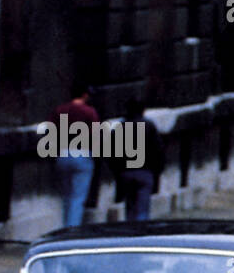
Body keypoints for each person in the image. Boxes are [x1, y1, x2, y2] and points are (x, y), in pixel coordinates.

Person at [50, 82, 100, 227]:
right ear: (85, 94)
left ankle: (66, 226)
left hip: (63, 154)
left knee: (66, 196)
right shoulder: (89, 112)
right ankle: (72, 229)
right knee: (78, 197)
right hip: (82, 154)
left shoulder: (59, 110)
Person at [112, 99, 165, 221]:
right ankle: (141, 232)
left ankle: (130, 232)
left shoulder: (120, 127)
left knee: (129, 207)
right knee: (142, 209)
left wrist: (117, 171)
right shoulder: (149, 126)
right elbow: (159, 150)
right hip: (145, 171)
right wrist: (157, 170)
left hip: (125, 172)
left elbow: (112, 153)